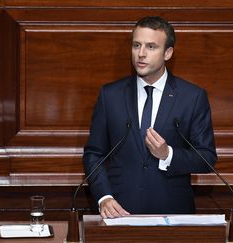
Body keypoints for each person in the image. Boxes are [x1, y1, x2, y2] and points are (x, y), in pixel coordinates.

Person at [83, 16, 217, 218]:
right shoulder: (110, 96)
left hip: (173, 215)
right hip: (119, 214)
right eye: (136, 45)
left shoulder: (192, 97)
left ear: (168, 53)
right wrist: (104, 197)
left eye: (151, 47)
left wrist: (168, 154)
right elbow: (94, 153)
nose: (141, 54)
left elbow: (206, 159)